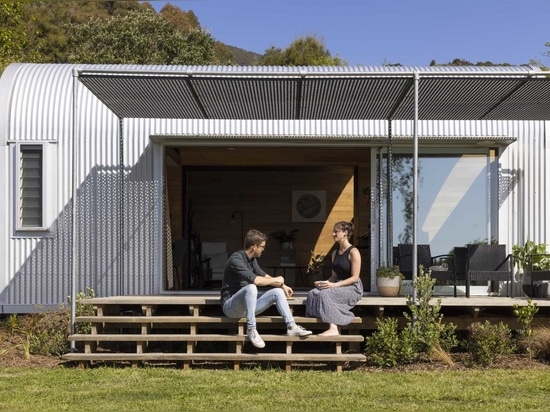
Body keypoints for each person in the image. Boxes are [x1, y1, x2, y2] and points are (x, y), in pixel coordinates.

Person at [221, 229, 312, 348]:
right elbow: (257, 280)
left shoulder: (252, 260)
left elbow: (264, 275)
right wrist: (276, 279)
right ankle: (251, 329)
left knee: (278, 292)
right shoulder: (236, 260)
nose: (263, 249)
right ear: (254, 246)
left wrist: (283, 286)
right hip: (231, 307)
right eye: (262, 247)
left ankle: (291, 327)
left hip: (249, 308)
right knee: (251, 288)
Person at [305, 221, 363, 336]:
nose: (333, 234)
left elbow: (355, 278)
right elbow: (334, 276)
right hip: (337, 284)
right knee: (313, 293)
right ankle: (319, 317)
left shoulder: (354, 252)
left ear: (345, 232)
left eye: (336, 232)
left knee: (324, 295)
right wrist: (323, 283)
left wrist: (335, 285)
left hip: (352, 287)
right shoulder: (334, 253)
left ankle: (333, 328)